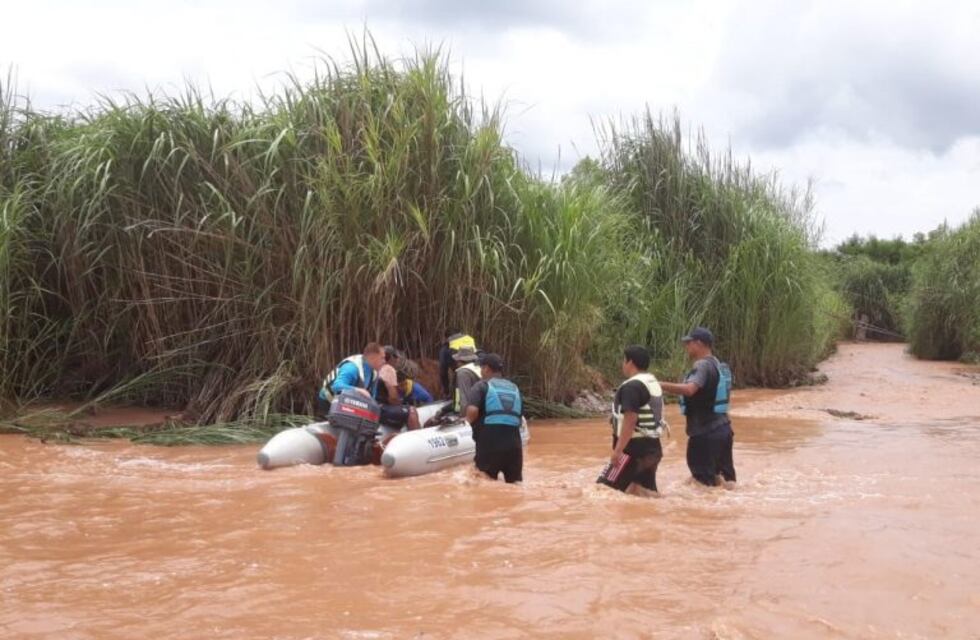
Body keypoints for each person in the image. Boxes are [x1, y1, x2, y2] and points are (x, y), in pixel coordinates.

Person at [660, 327, 737, 487]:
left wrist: (658, 384)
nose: (686, 347)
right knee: (726, 482)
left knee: (702, 485)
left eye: (689, 343)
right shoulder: (719, 365)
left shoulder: (702, 365)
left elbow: (690, 390)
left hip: (705, 434)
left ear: (699, 343)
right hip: (724, 430)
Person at [598, 345, 668, 496]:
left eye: (624, 360)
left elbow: (631, 419)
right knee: (642, 493)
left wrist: (618, 451)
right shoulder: (651, 381)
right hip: (653, 448)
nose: (622, 364)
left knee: (602, 491)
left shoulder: (631, 386)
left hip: (633, 450)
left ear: (630, 362)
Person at [464, 353, 524, 483]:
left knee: (483, 484)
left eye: (481, 368)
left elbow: (472, 412)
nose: (481, 372)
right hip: (514, 446)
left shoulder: (481, 386)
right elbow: (518, 418)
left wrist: (467, 423)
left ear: (486, 369)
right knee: (515, 486)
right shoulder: (514, 388)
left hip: (489, 445)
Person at [318, 342, 386, 417]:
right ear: (373, 357)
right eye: (382, 358)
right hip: (328, 401)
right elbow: (336, 386)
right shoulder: (352, 368)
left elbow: (372, 396)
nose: (384, 362)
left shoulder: (374, 372)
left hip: (347, 402)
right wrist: (357, 390)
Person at [374, 345, 419, 430]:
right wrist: (401, 405)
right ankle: (418, 439)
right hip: (381, 408)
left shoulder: (375, 368)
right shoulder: (389, 369)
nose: (397, 360)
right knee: (411, 411)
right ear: (391, 357)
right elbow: (393, 398)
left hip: (373, 407)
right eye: (396, 357)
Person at [438, 330, 477, 398]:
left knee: (459, 394)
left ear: (446, 338)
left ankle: (457, 405)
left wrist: (446, 391)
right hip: (476, 371)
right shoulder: (469, 340)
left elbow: (443, 371)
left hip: (461, 373)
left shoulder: (446, 348)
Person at [451, 346, 482, 415]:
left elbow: (464, 397)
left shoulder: (463, 373)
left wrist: (464, 417)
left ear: (459, 361)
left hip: (471, 413)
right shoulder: (478, 369)